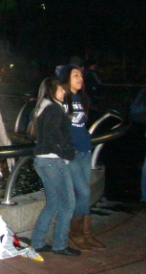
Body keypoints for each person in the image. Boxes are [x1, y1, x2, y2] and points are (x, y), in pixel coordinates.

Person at [58, 64, 106, 250]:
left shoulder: (81, 98)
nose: (80, 79)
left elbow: (80, 125)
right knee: (83, 192)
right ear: (66, 78)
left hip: (85, 151)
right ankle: (75, 233)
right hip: (71, 153)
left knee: (84, 193)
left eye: (81, 76)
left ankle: (86, 234)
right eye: (75, 75)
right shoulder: (62, 98)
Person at [30, 77, 80, 256]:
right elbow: (53, 134)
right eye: (60, 90)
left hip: (42, 160)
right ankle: (60, 244)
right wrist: (66, 151)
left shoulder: (41, 107)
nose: (63, 93)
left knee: (52, 204)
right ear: (52, 91)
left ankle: (37, 242)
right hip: (53, 161)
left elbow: (42, 135)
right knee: (67, 204)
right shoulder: (53, 109)